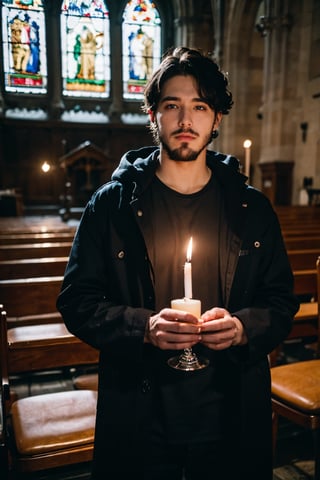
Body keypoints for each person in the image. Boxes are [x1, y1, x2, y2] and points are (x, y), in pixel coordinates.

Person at [57, 47, 299, 480]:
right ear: (154, 115)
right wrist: (143, 327)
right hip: (141, 414)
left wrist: (244, 327)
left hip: (231, 412)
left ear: (217, 118)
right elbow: (77, 301)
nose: (186, 120)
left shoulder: (253, 209)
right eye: (172, 106)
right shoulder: (110, 206)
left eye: (200, 106)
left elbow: (280, 301)